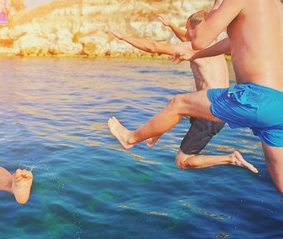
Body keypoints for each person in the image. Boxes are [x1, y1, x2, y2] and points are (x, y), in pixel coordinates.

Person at [107, 0, 283, 194]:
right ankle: (155, 130)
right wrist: (193, 55)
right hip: (278, 105)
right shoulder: (276, 7)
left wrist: (216, 7)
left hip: (255, 98)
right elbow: (231, 42)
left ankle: (130, 139)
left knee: (177, 103)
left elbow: (200, 39)